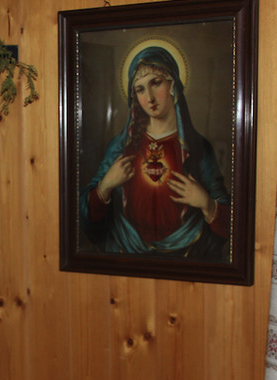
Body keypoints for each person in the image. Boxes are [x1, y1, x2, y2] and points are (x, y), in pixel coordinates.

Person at [80, 45, 230, 261]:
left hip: (185, 259)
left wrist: (207, 204)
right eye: (140, 89)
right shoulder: (121, 146)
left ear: (173, 85)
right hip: (125, 256)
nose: (149, 97)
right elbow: (87, 219)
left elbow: (229, 225)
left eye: (156, 83)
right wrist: (105, 186)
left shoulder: (197, 148)